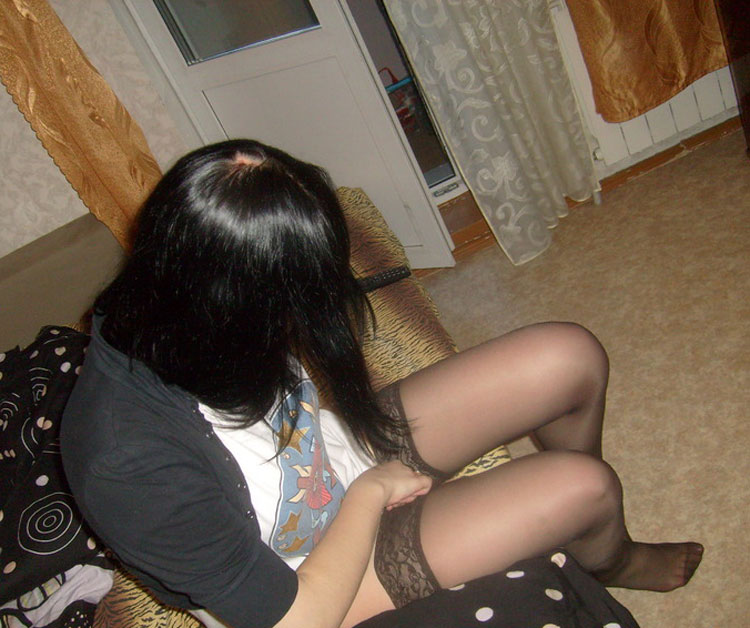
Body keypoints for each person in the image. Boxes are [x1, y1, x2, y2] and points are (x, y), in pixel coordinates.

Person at [61, 139, 702, 628]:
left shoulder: (176, 304)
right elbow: (294, 620)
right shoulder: (127, 463)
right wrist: (369, 495)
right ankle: (609, 557)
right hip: (305, 578)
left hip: (330, 459)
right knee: (583, 487)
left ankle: (591, 540)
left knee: (567, 356)